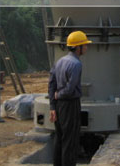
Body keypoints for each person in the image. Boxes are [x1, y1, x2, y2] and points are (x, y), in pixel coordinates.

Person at [49, 30, 91, 166]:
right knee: (70, 140)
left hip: (59, 105)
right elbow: (70, 89)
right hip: (70, 104)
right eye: (84, 45)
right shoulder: (76, 64)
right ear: (78, 47)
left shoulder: (59, 61)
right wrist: (60, 95)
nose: (86, 47)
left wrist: (53, 105)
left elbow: (51, 84)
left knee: (60, 138)